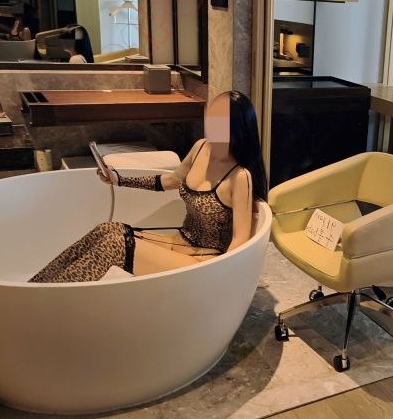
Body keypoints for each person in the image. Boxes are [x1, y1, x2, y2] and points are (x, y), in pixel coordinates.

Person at [28, 91, 267, 283]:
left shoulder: (240, 177)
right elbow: (169, 181)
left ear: (236, 128)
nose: (211, 123)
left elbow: (240, 239)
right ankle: (36, 286)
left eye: (219, 120)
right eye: (211, 115)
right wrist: (119, 179)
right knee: (108, 229)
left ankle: (51, 301)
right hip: (181, 242)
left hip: (205, 261)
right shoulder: (201, 148)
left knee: (115, 245)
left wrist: (221, 279)